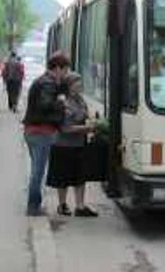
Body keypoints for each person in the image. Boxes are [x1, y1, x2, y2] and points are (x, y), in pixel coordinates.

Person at [22, 52, 70, 216]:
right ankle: (33, 206)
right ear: (57, 68)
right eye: (64, 70)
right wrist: (61, 102)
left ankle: (34, 203)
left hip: (32, 131)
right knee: (38, 171)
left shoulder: (42, 80)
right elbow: (45, 104)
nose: (65, 74)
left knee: (37, 169)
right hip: (41, 132)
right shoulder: (48, 83)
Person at [46, 73, 98, 217]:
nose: (80, 86)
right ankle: (62, 205)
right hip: (63, 145)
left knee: (80, 176)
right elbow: (65, 129)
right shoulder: (62, 102)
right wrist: (88, 128)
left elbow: (85, 115)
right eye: (77, 83)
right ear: (69, 86)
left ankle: (80, 206)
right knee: (62, 177)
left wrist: (92, 120)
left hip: (79, 144)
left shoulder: (80, 100)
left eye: (80, 83)